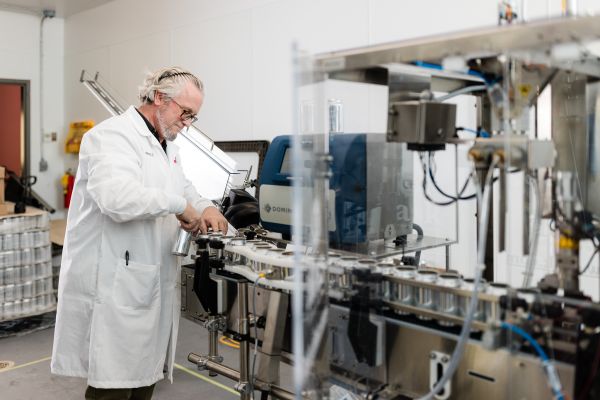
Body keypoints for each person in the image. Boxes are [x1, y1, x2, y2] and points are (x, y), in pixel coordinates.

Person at [51, 67, 228, 400]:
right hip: (115, 287)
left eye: (193, 116)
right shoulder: (111, 137)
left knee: (144, 380)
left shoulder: (168, 147)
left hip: (149, 283)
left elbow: (184, 188)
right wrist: (179, 206)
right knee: (113, 387)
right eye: (185, 112)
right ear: (160, 98)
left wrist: (206, 207)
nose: (187, 122)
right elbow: (116, 198)